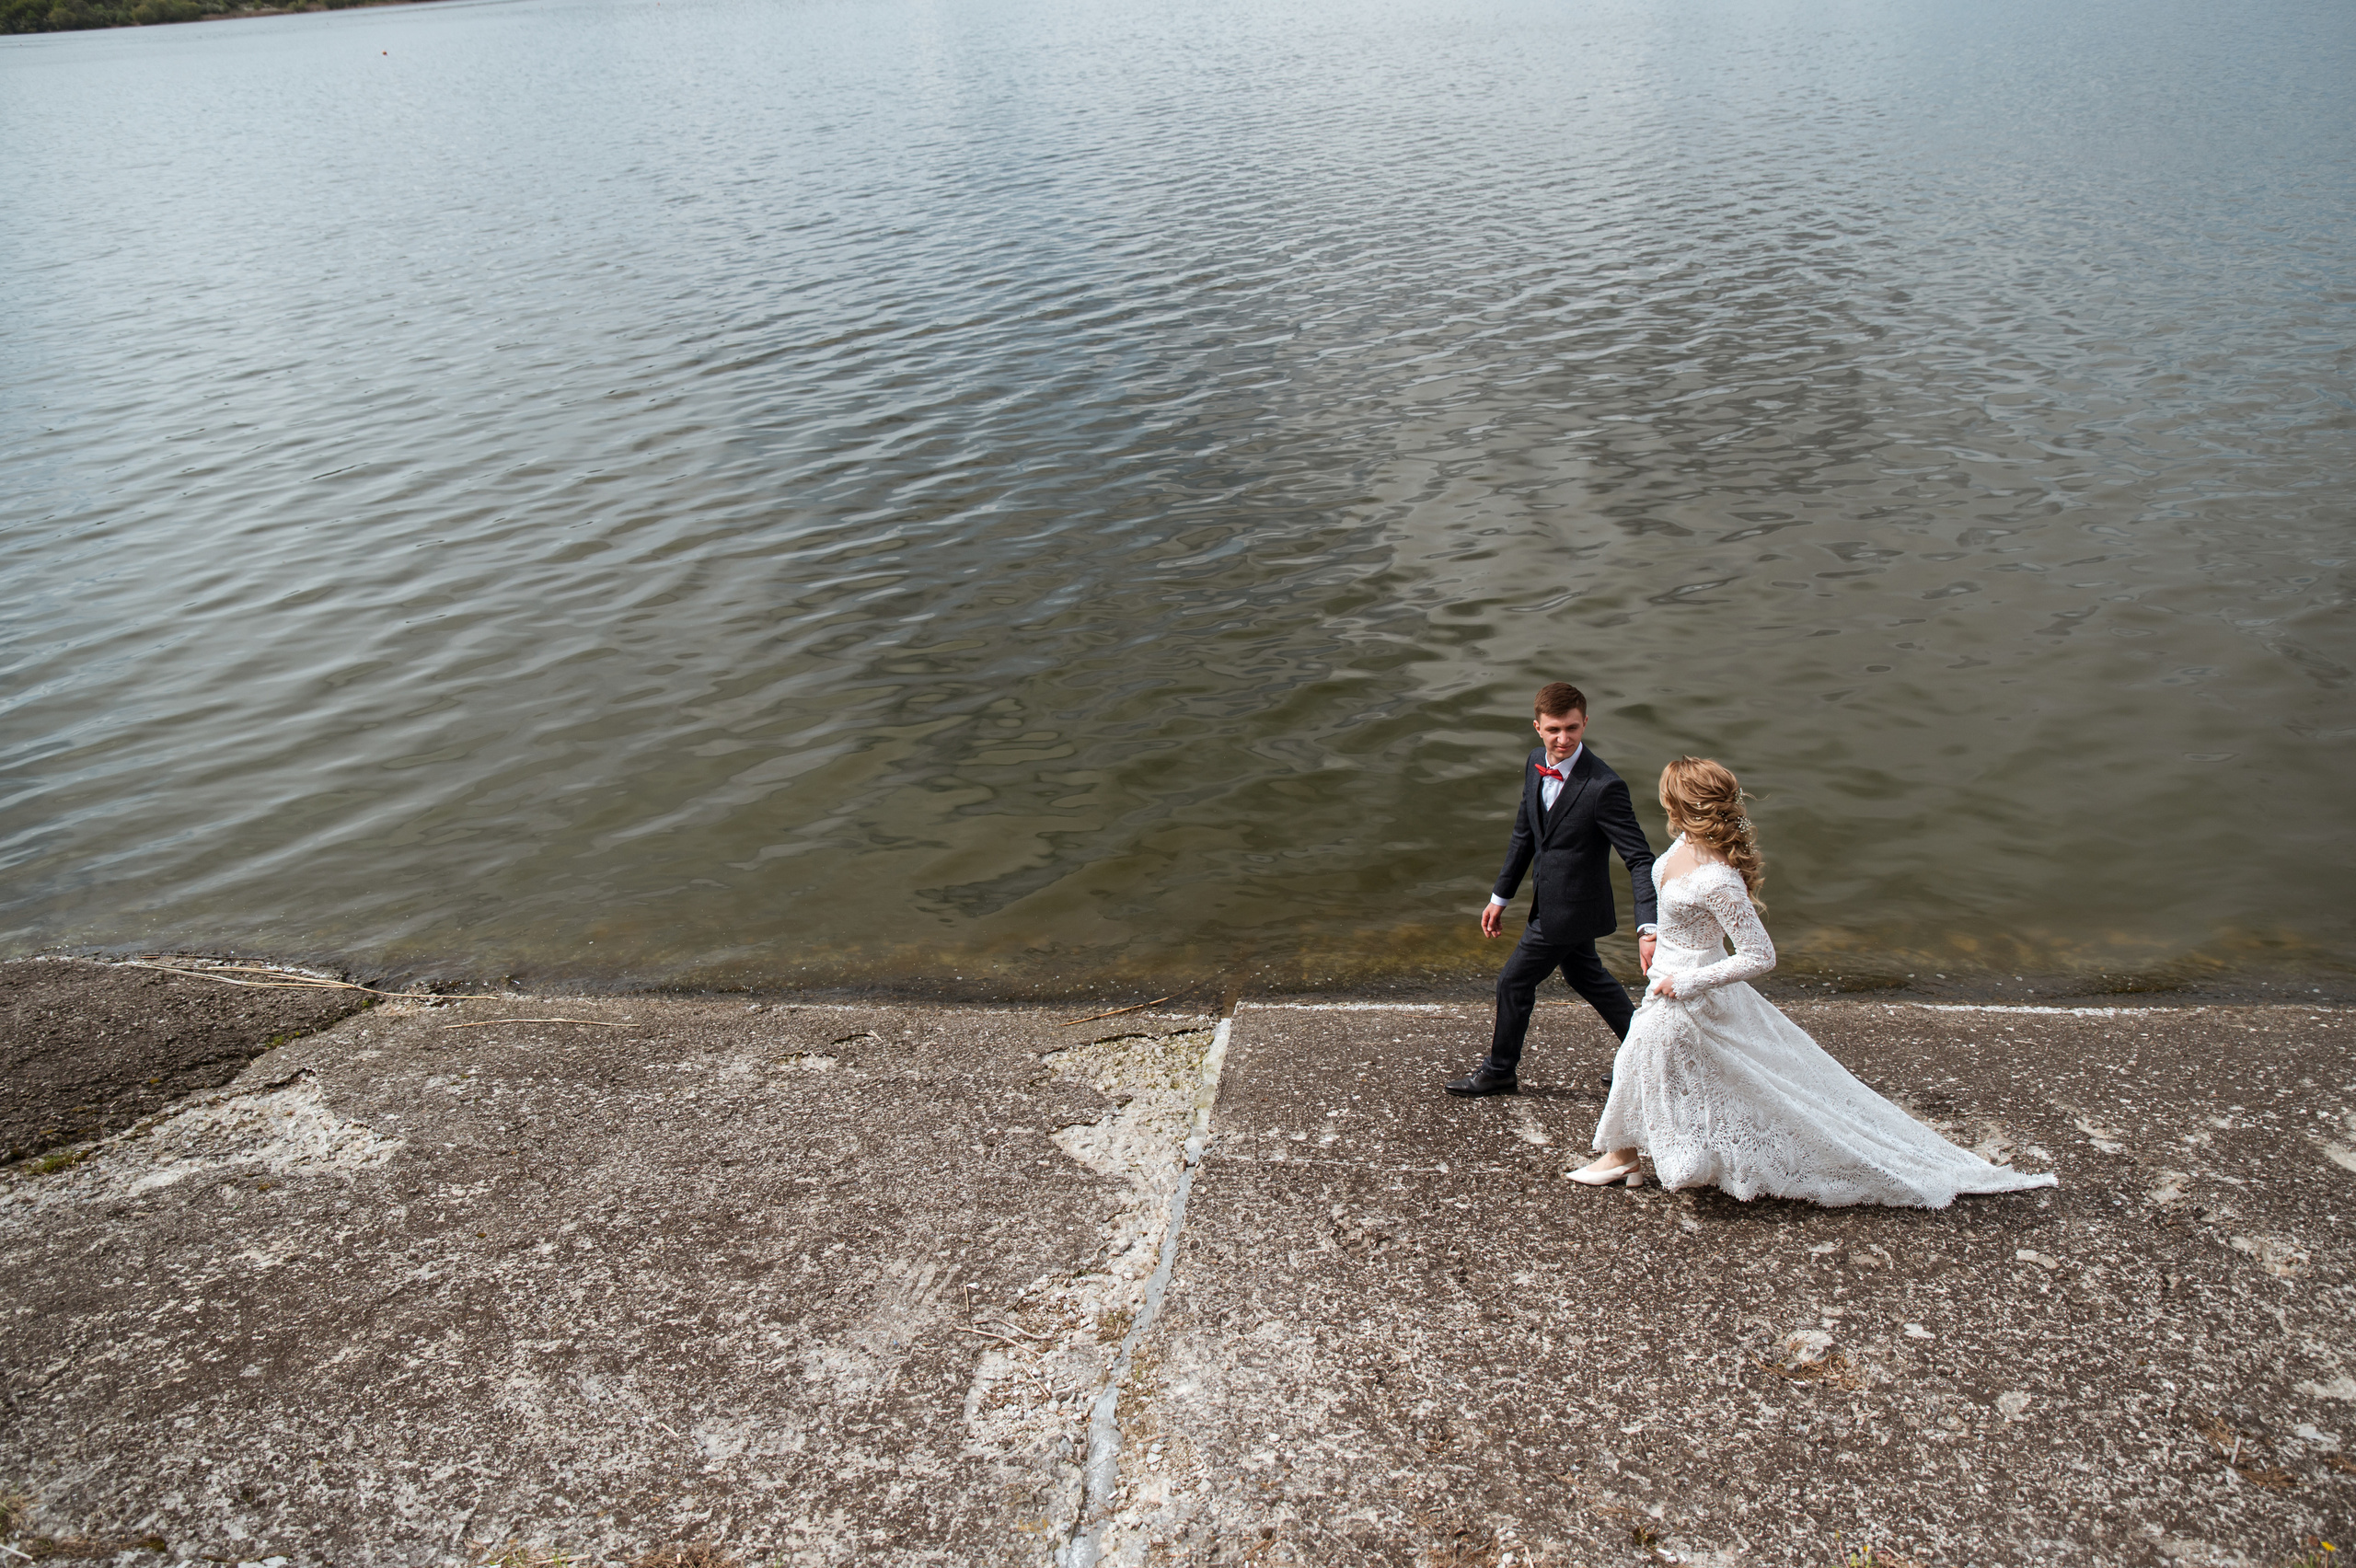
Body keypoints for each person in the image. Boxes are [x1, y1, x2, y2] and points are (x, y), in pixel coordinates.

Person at [1569, 757, 2058, 1206]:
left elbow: (1761, 956)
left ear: (1682, 804)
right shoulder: (1682, 846)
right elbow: (1672, 905)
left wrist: (1691, 982)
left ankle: (1627, 1158)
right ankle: (1629, 1156)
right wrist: (1653, 931)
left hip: (1690, 990)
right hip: (1665, 978)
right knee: (1647, 1061)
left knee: (1648, 1058)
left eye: (1667, 796)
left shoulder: (1717, 878)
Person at [1446, 682, 1658, 1098]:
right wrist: (1499, 897)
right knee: (1589, 978)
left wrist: (1648, 926)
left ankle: (1500, 1070)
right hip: (1550, 902)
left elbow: (1639, 858)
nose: (1564, 739)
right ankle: (1649, 1057)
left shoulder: (1603, 787)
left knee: (1513, 982)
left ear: (1585, 724)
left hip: (1571, 911)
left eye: (1573, 729)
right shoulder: (1533, 764)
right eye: (1555, 730)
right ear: (1538, 728)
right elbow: (1525, 833)